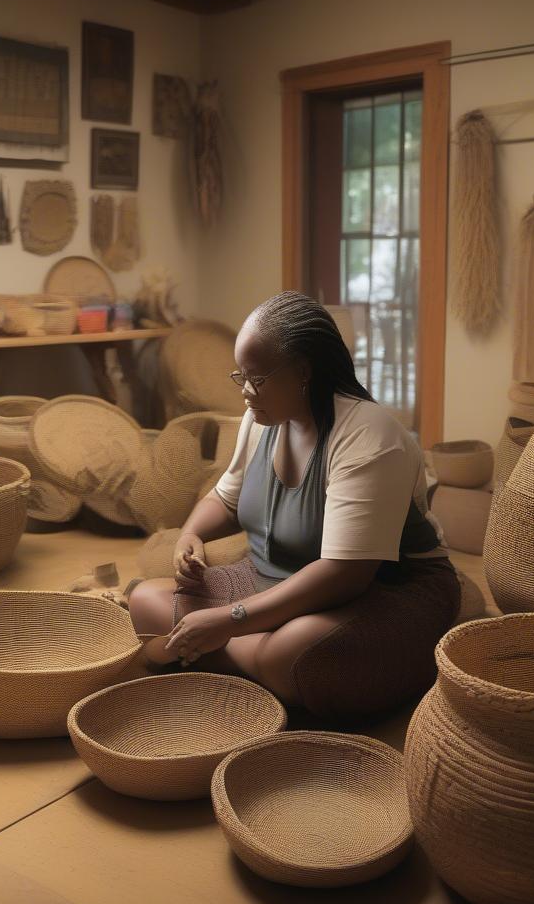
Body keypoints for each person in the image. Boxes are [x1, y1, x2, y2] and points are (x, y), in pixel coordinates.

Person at [128, 291, 460, 721]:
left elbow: (346, 575)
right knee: (144, 602)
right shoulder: (262, 415)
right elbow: (225, 497)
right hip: (275, 577)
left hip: (385, 591)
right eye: (241, 376)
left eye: (258, 378)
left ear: (303, 371)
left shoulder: (367, 436)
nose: (246, 391)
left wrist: (227, 622)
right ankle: (252, 666)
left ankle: (220, 657)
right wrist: (190, 535)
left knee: (291, 653)